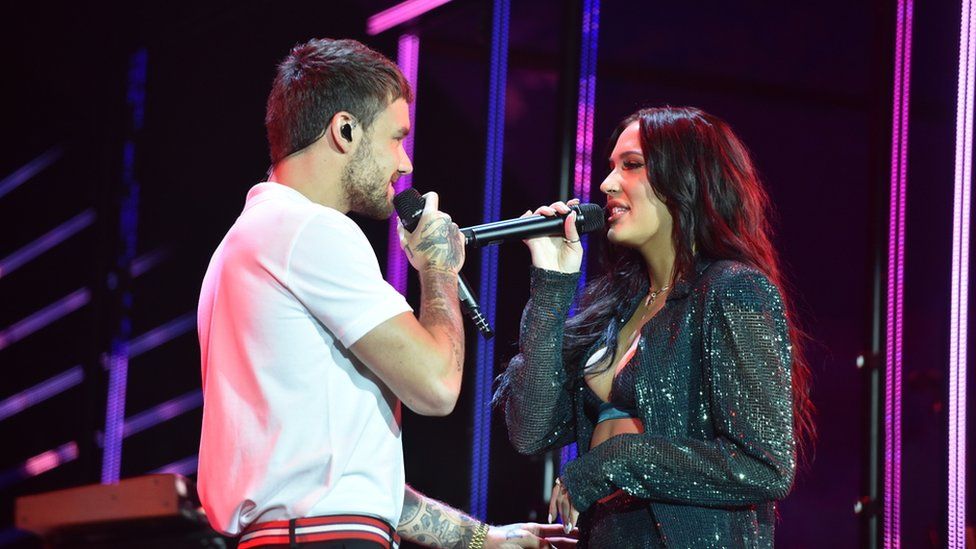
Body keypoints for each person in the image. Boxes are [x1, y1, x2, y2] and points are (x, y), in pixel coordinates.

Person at [197, 38, 566, 549]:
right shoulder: (309, 231)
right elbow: (437, 385)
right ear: (345, 130)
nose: (405, 164)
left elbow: (350, 477)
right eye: (396, 138)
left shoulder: (248, 242)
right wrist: (437, 268)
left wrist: (486, 540)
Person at [495, 106, 815, 548]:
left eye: (632, 165)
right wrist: (552, 283)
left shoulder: (733, 290)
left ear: (686, 178)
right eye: (610, 169)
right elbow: (530, 429)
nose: (606, 185)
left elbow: (763, 464)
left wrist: (615, 460)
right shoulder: (617, 307)